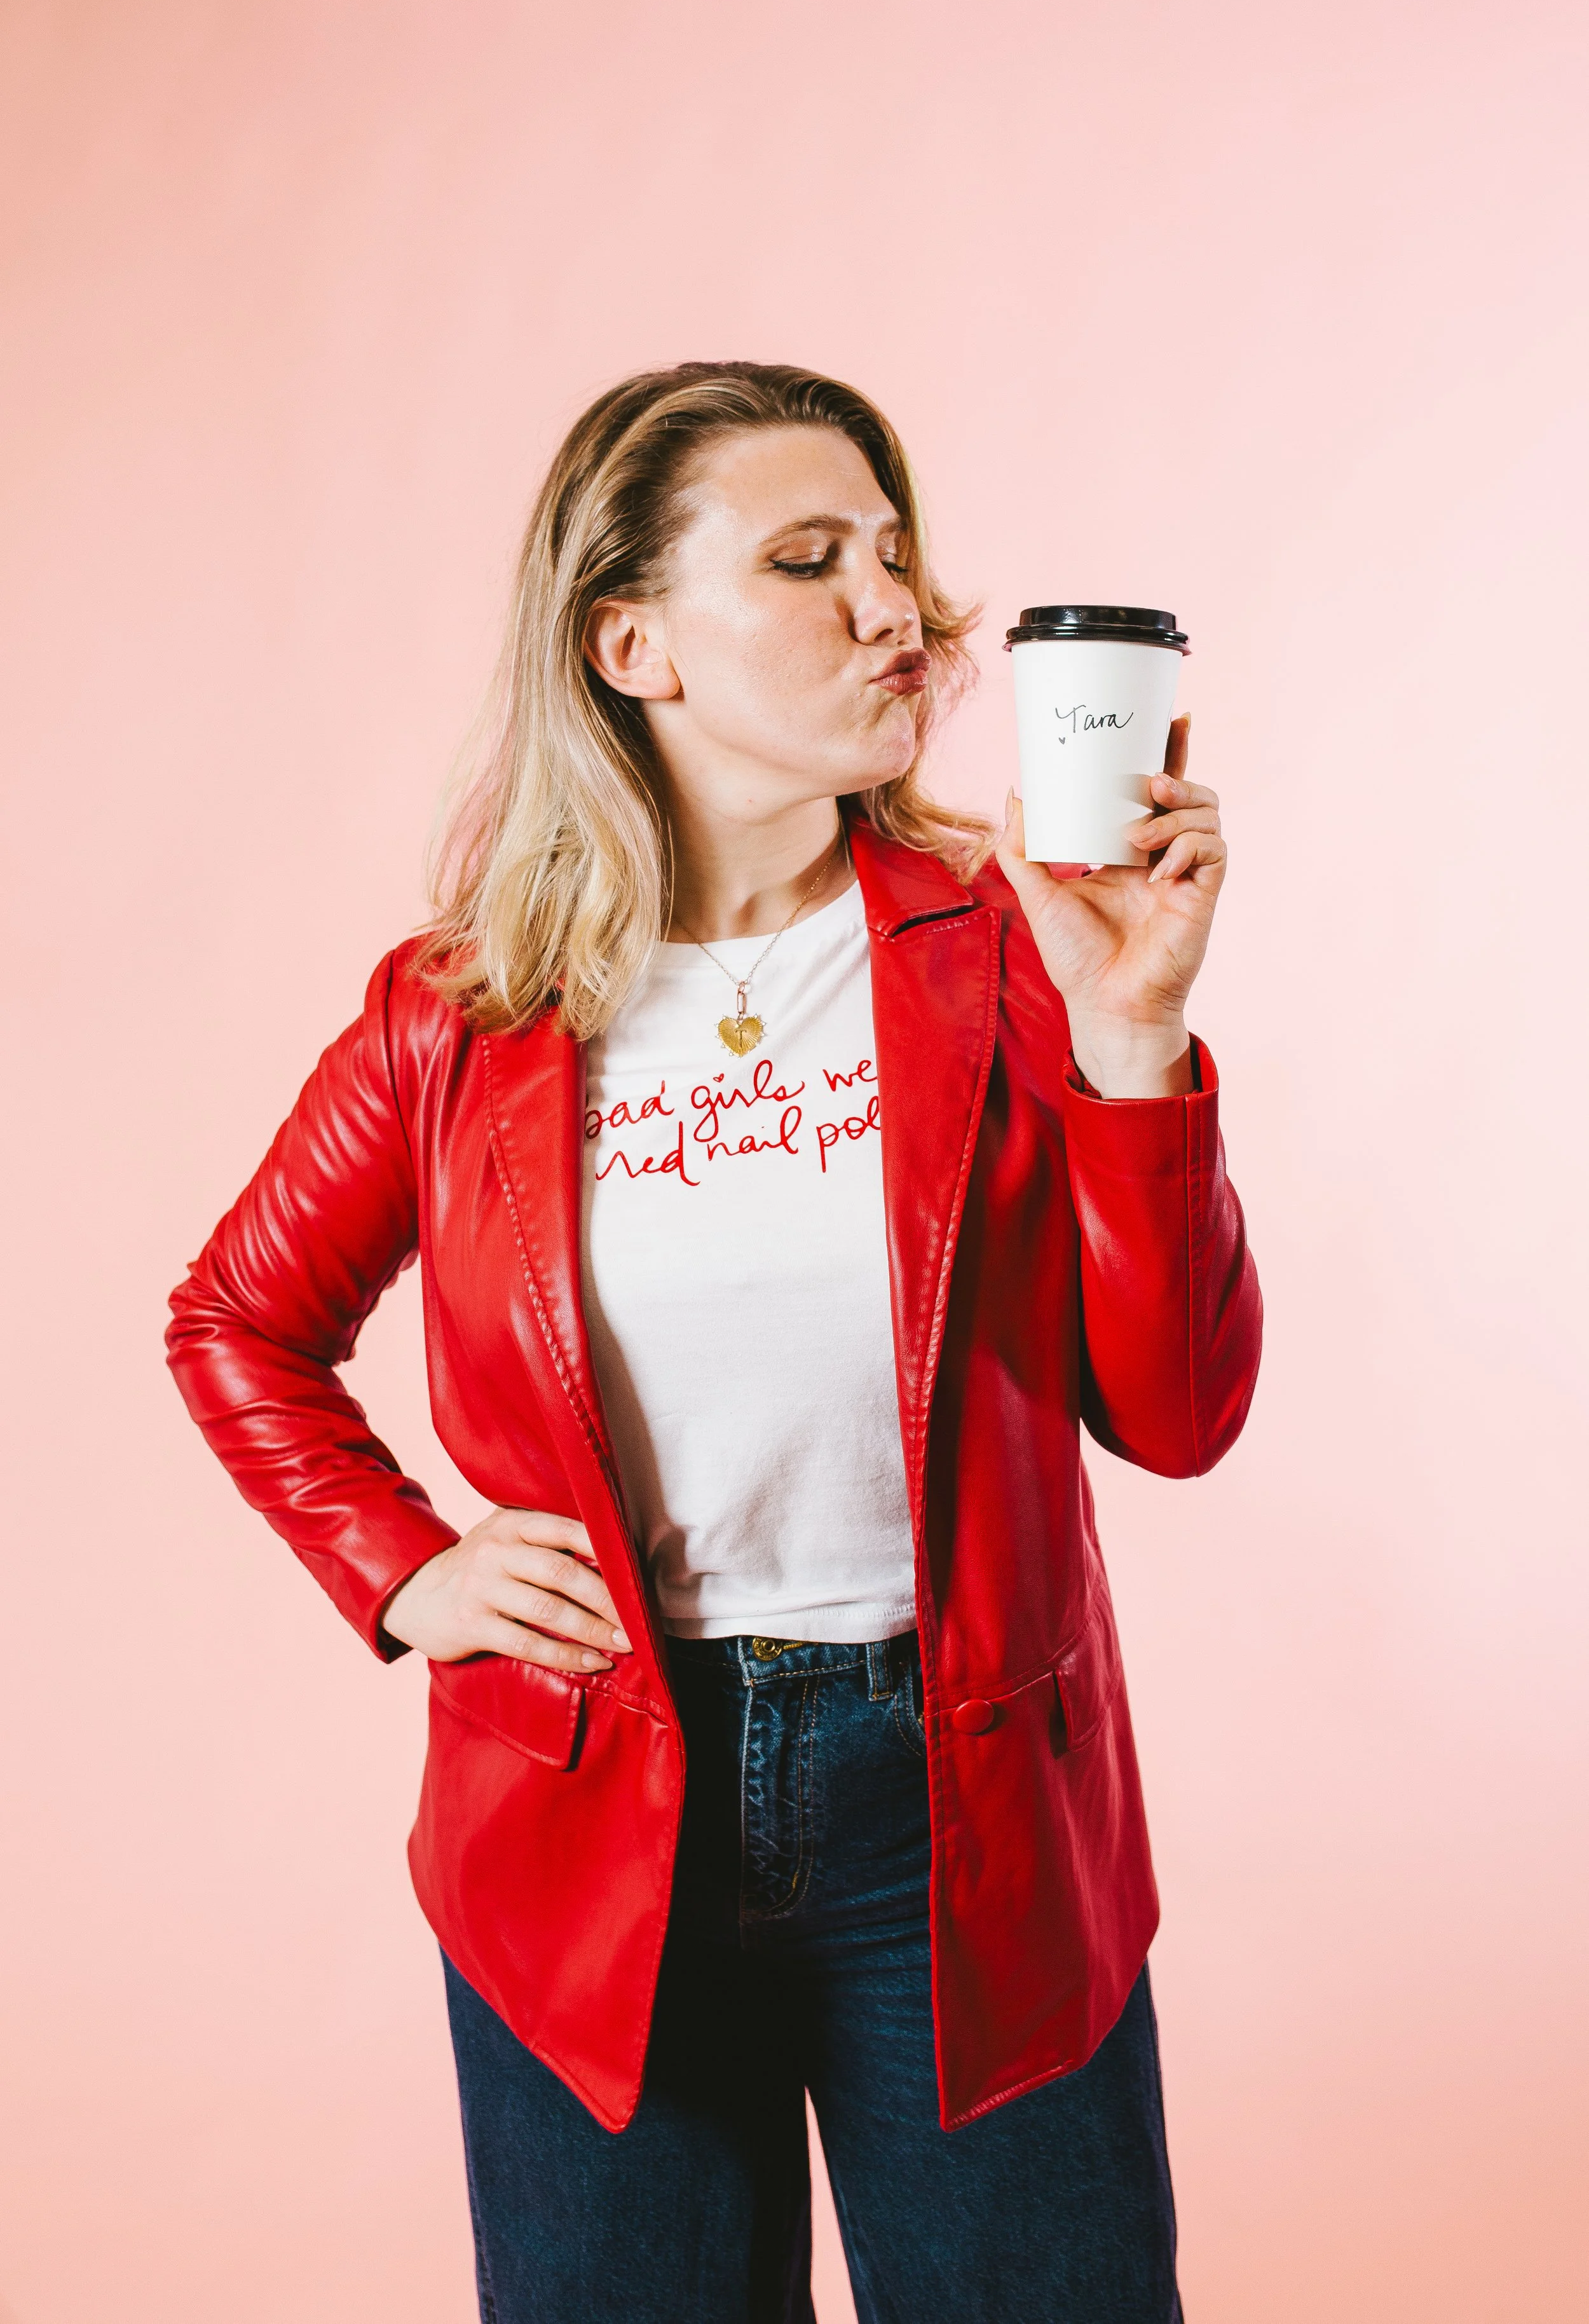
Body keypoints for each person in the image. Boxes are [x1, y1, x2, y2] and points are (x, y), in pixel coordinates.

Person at [167, 359, 1261, 2323]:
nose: (897, 610)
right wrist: (404, 1568)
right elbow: (237, 1319)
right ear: (631, 641)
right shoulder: (461, 1012)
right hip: (592, 1814)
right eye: (808, 558)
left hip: (966, 1810)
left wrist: (1135, 1042)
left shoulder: (1012, 947)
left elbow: (1175, 1417)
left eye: (899, 558)